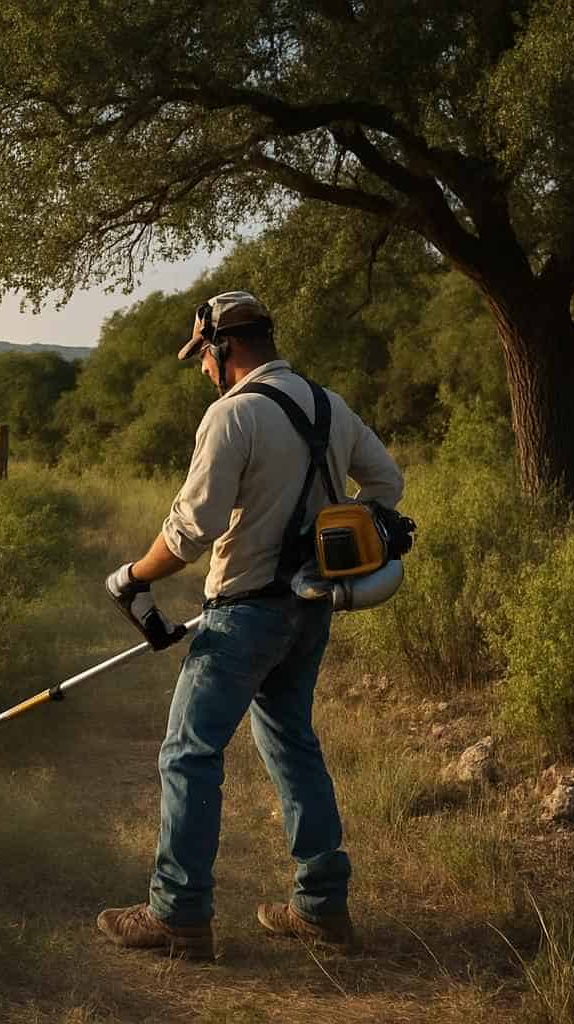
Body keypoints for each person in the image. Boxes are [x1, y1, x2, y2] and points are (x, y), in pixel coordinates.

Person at [97, 291, 404, 960]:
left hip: (243, 614)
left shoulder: (233, 416)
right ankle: (321, 907)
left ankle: (177, 915)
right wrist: (329, 540)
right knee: (293, 744)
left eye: (202, 357)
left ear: (223, 347)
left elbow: (191, 531)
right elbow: (386, 484)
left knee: (189, 753)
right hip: (310, 608)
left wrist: (134, 577)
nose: (202, 370)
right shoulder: (328, 405)